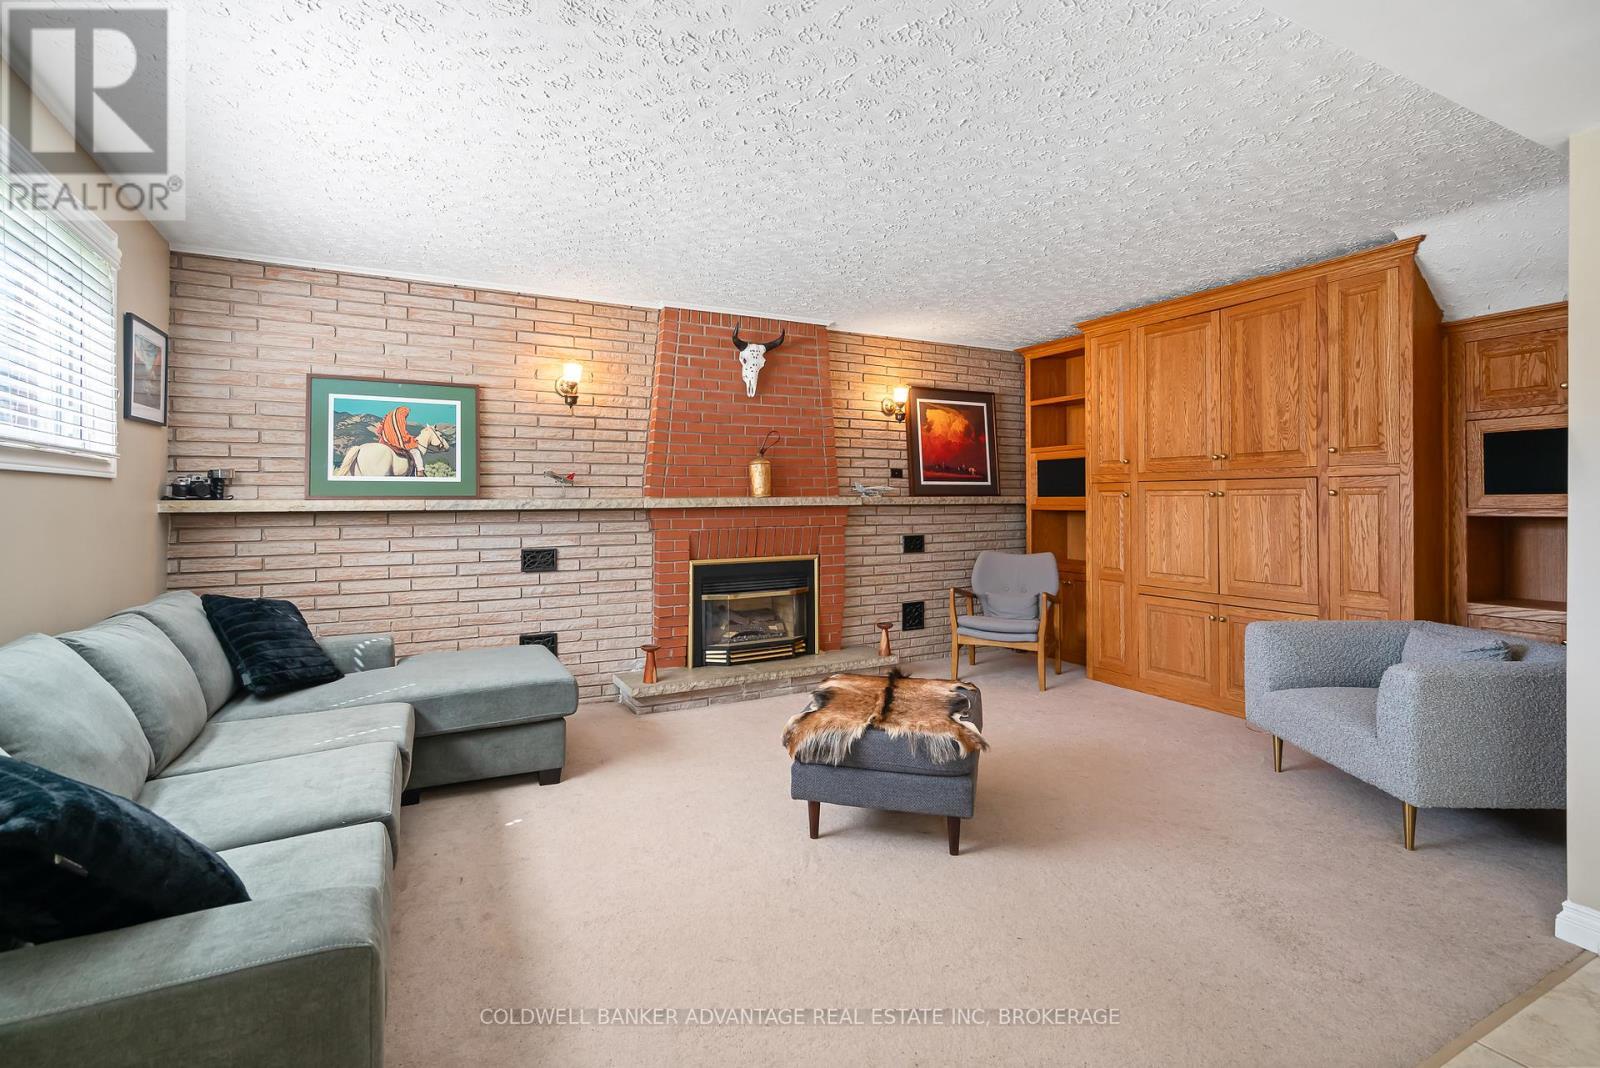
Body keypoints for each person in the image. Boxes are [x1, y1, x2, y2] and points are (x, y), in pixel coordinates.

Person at [374, 405, 426, 476]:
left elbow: (379, 430)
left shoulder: (388, 417)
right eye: (406, 415)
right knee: (415, 451)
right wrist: (412, 439)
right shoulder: (400, 417)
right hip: (394, 441)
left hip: (385, 441)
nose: (406, 417)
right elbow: (402, 433)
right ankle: (420, 471)